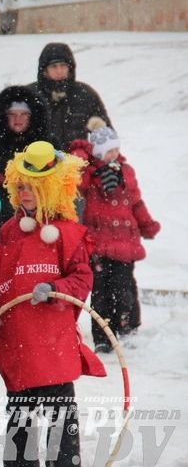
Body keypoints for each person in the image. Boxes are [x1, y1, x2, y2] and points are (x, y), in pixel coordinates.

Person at [0, 141, 106, 467]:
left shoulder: (68, 233)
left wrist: (54, 287)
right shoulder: (9, 231)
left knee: (61, 413)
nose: (24, 192)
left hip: (53, 340)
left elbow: (81, 278)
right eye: (20, 186)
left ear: (49, 187)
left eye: (32, 187)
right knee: (20, 412)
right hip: (17, 339)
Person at [69, 126, 159, 352]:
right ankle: (103, 336)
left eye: (116, 149)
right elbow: (76, 176)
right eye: (108, 151)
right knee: (100, 293)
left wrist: (146, 224)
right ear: (97, 152)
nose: (113, 155)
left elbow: (136, 202)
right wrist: (83, 150)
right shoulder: (90, 172)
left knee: (125, 288)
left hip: (125, 242)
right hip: (99, 242)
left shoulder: (126, 170)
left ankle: (128, 330)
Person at [0, 86, 51, 272]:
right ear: (3, 115)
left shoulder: (47, 143)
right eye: (12, 114)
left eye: (23, 114)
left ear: (32, 116)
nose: (18, 119)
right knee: (0, 270)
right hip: (0, 218)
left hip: (38, 216)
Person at [27, 42, 112, 149]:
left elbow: (107, 136)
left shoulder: (85, 94)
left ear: (70, 68)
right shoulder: (29, 95)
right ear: (44, 70)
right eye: (54, 66)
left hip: (78, 160)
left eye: (63, 65)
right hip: (39, 161)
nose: (59, 71)